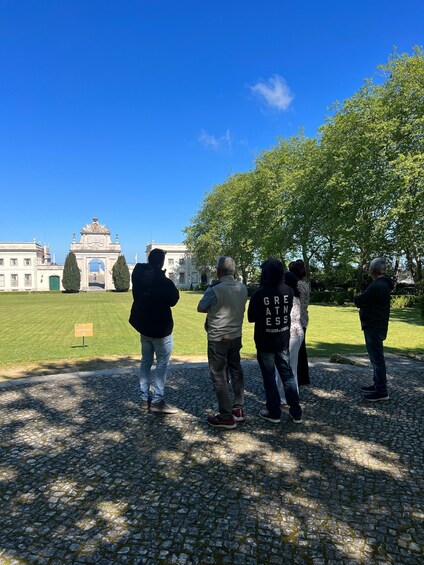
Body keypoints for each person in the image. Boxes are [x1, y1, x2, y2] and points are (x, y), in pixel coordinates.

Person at [248, 258, 302, 424]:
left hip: (265, 341)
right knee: (288, 376)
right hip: (282, 340)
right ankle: (296, 411)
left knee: (269, 377)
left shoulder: (259, 294)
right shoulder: (289, 291)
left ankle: (274, 411)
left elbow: (251, 318)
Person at [197, 256, 248, 429]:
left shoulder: (214, 289)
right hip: (236, 335)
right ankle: (238, 408)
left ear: (218, 272)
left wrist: (210, 290)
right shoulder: (243, 288)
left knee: (218, 375)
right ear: (234, 272)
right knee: (236, 370)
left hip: (218, 338)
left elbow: (201, 307)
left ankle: (226, 416)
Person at [129, 248, 180, 413]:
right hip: (161, 329)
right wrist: (162, 276)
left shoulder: (137, 275)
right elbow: (174, 299)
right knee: (161, 364)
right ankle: (157, 400)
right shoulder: (163, 281)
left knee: (145, 362)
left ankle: (144, 399)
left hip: (144, 326)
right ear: (161, 262)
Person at [353, 257, 393, 402]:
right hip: (377, 324)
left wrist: (358, 298)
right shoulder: (383, 284)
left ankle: (381, 390)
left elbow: (360, 300)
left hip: (374, 325)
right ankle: (377, 384)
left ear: (373, 270)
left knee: (377, 358)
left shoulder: (378, 285)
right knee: (375, 358)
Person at [276, 271, 304, 405]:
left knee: (282, 367)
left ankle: (283, 396)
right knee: (293, 367)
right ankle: (293, 394)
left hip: (289, 334)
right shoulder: (296, 296)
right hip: (298, 332)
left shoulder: (286, 297)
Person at [289, 260, 310, 386]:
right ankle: (304, 376)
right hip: (304, 318)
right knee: (302, 349)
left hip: (296, 318)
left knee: (296, 350)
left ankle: (298, 376)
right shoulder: (306, 285)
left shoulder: (296, 285)